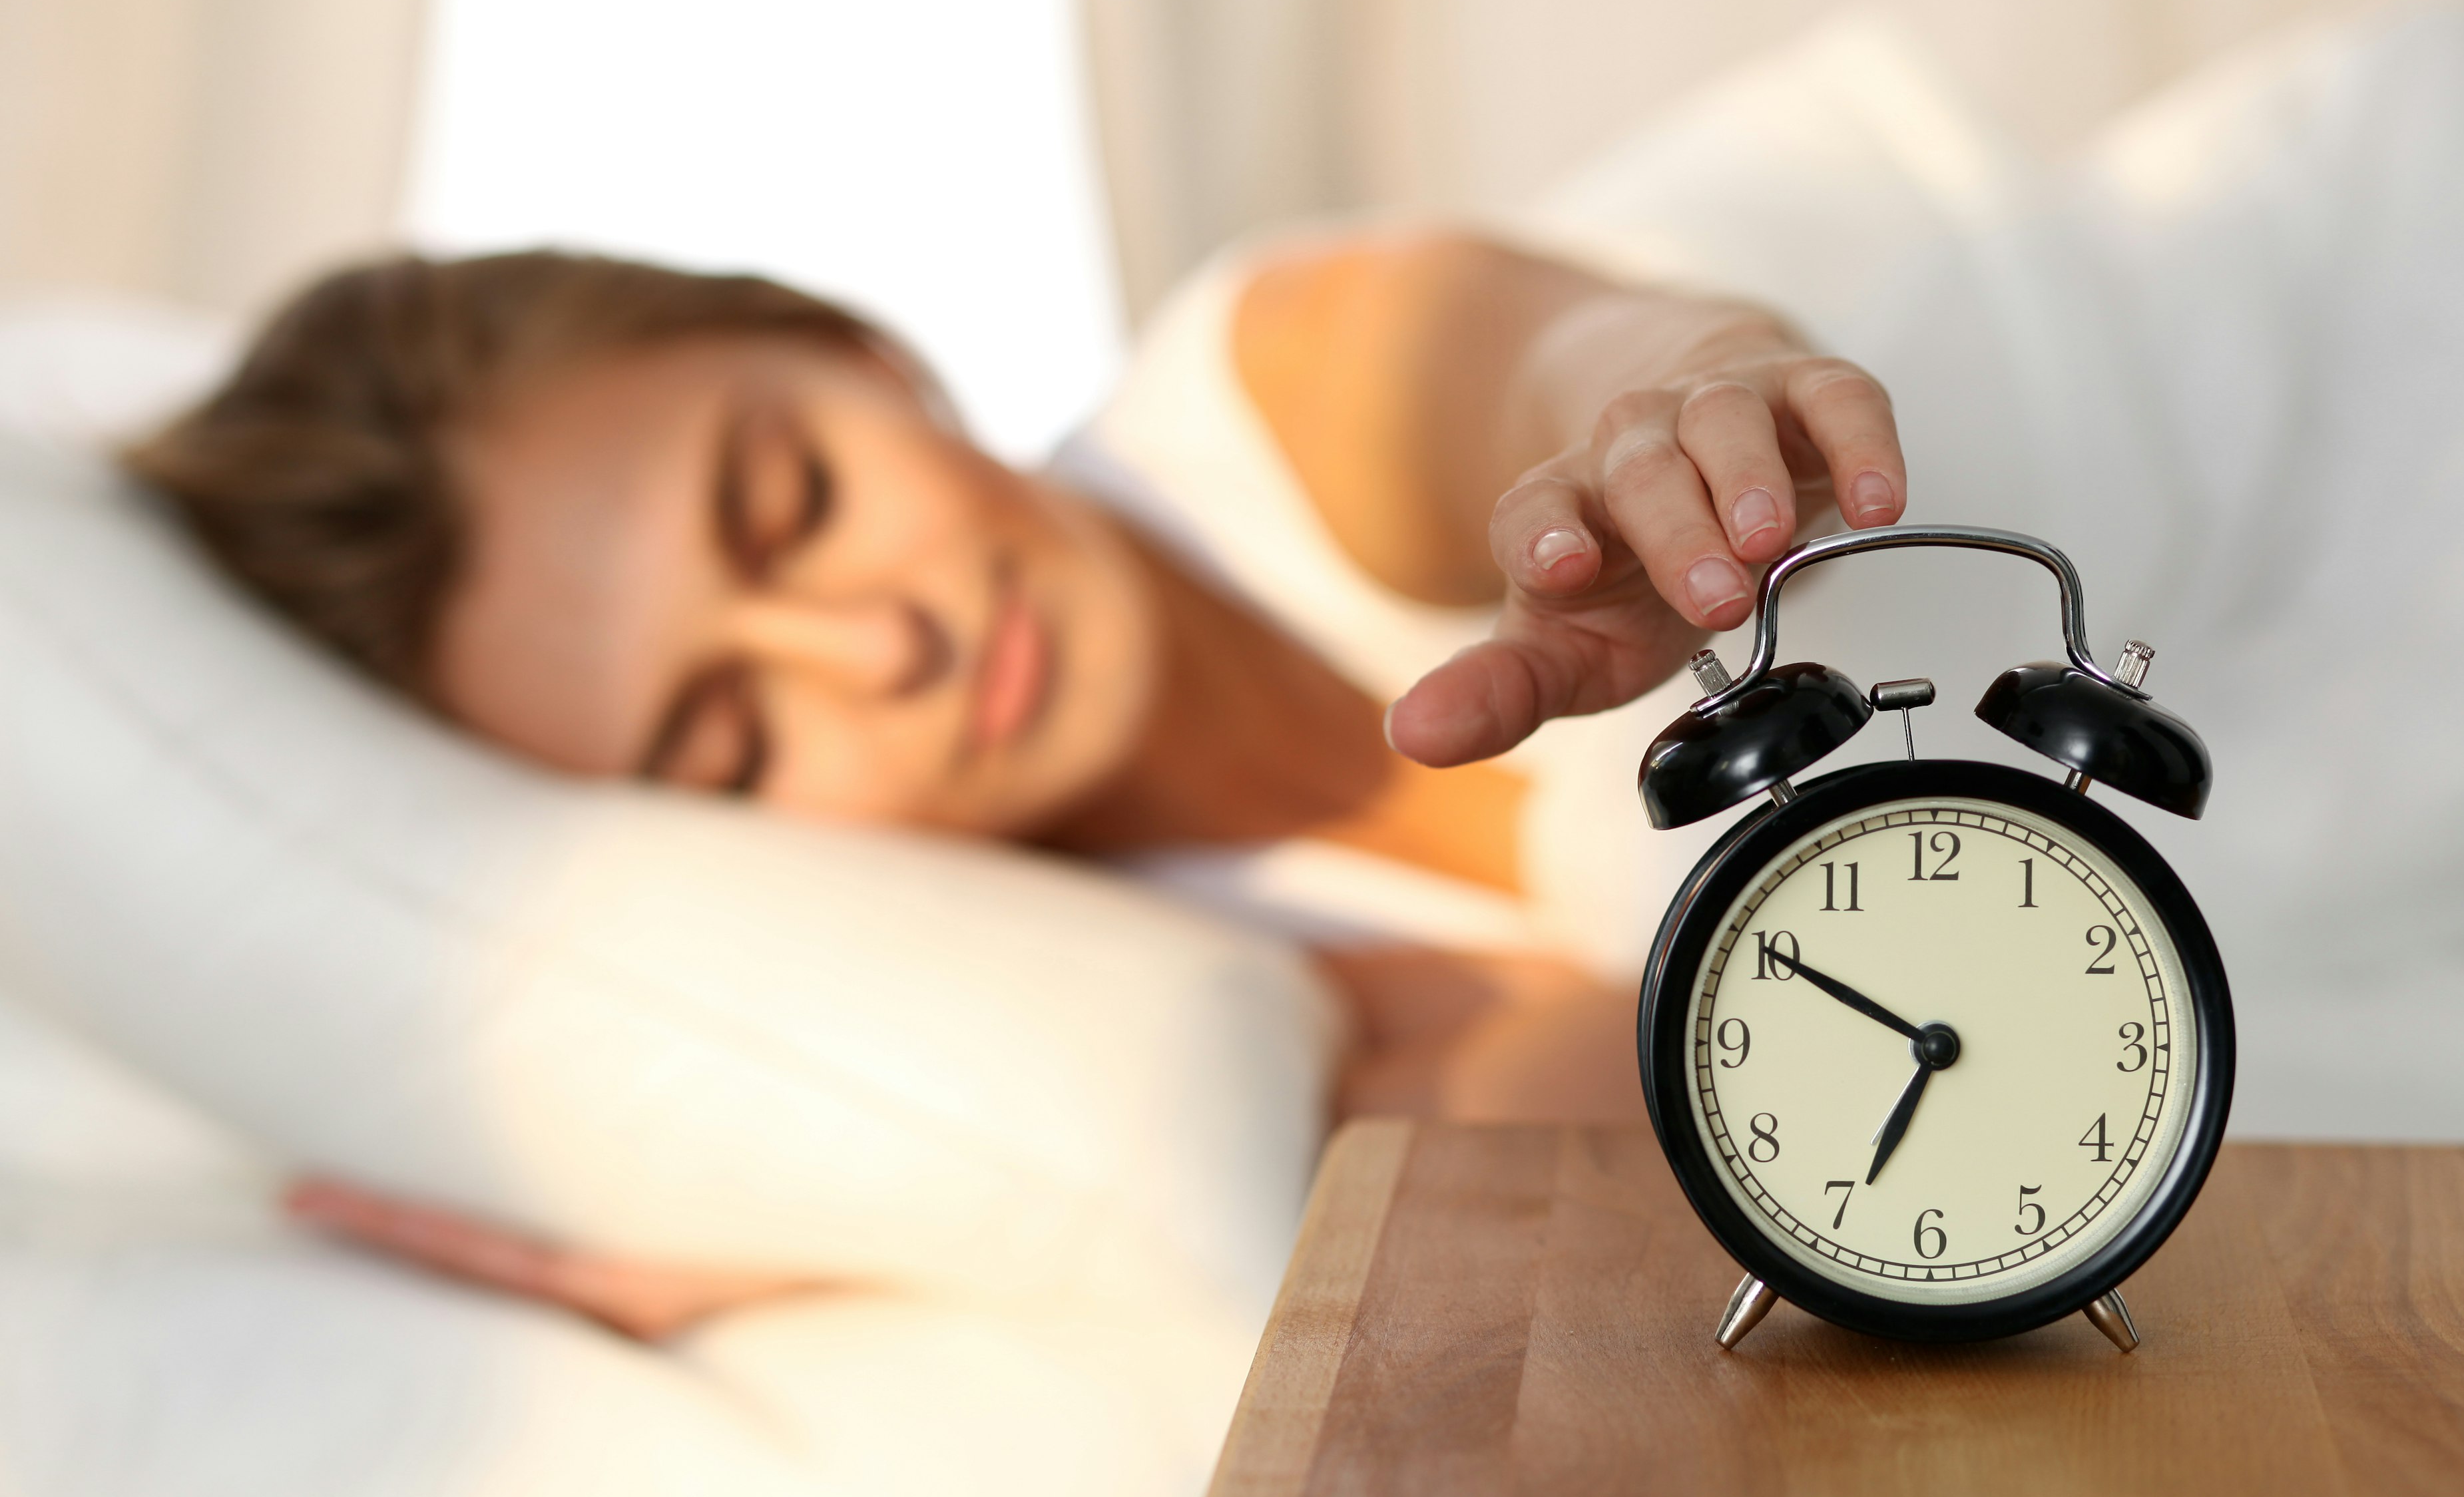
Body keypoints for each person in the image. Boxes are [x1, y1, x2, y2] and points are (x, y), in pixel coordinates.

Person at [126, 234, 1911, 1335]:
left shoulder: (1283, 393)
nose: (870, 647)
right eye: (731, 742)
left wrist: (1670, 405)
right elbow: (1778, 1123)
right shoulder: (1234, 1012)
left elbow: (1543, 356)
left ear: (855, 348)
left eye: (794, 502)